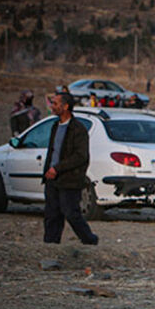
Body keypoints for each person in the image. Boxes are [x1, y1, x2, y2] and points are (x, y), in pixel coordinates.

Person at [41, 92, 98, 245]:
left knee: (71, 213)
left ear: (65, 106)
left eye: (55, 103)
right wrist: (48, 170)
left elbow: (80, 156)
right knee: (52, 214)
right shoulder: (55, 126)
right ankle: (51, 244)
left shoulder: (77, 129)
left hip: (70, 180)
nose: (52, 106)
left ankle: (89, 240)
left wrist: (58, 168)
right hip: (52, 179)